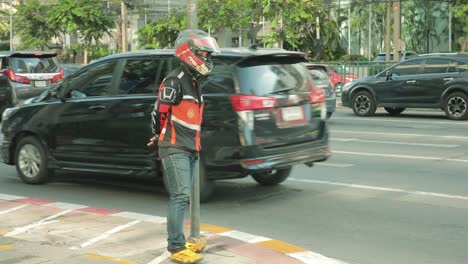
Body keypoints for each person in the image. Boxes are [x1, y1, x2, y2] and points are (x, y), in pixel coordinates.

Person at [147, 29, 220, 264]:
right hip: (175, 146)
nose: (208, 59)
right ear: (188, 52)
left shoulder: (194, 81)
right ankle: (176, 246)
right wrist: (158, 134)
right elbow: (158, 112)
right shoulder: (174, 81)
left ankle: (181, 240)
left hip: (190, 147)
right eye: (204, 53)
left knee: (184, 196)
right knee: (179, 196)